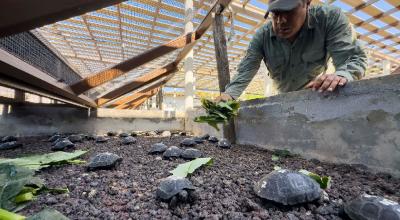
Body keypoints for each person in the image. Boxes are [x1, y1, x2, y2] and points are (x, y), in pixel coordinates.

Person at [216, 0, 367, 102]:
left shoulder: (329, 19)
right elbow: (245, 70)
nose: (281, 21)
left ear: (307, 3)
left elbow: (353, 58)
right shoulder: (262, 36)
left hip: (316, 97)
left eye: (288, 12)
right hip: (283, 98)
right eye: (276, 13)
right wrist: (228, 95)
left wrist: (342, 75)